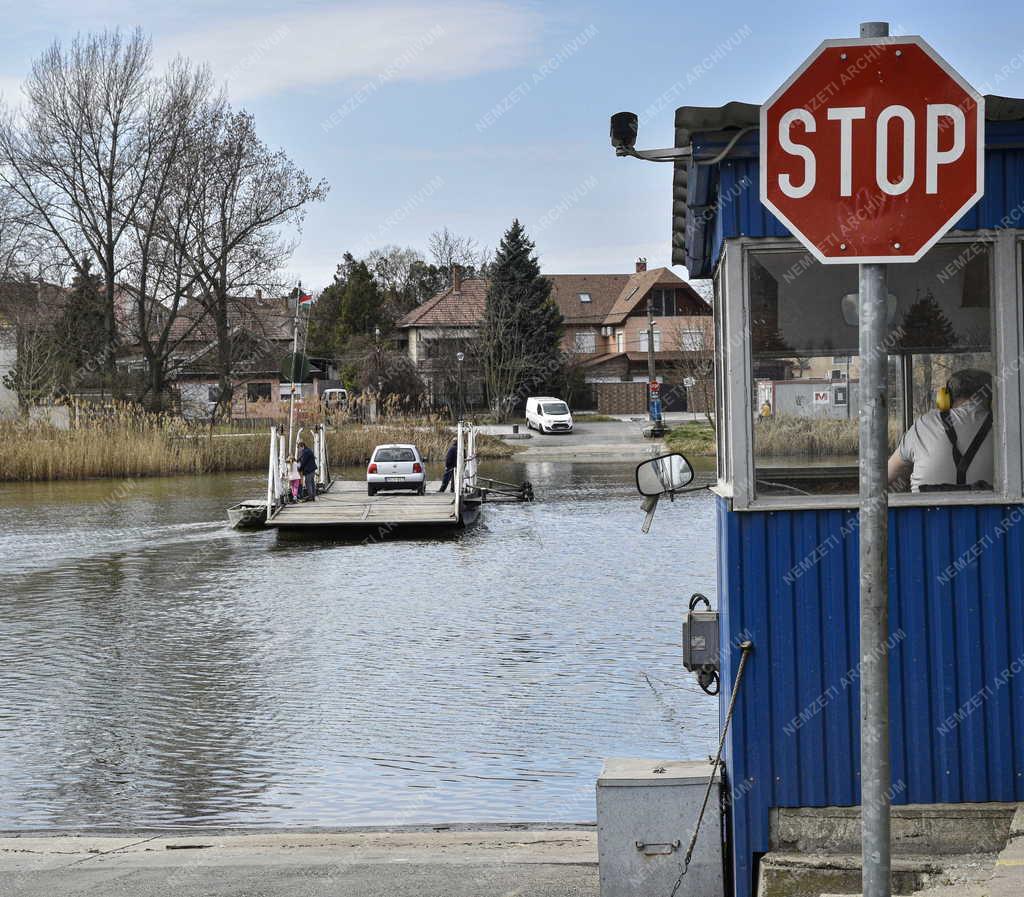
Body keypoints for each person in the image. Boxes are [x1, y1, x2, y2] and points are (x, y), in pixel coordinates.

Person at [887, 368, 993, 493]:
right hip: (991, 513)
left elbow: (887, 476)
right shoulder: (1004, 429)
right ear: (992, 400)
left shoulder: (923, 424)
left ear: (945, 398)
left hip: (923, 512)